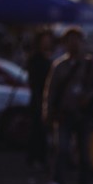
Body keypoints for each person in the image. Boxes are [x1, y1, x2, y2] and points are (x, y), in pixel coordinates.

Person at [43, 26, 93, 184]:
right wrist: (47, 112)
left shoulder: (90, 65)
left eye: (77, 40)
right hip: (64, 114)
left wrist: (88, 97)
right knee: (61, 149)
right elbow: (51, 91)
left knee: (84, 151)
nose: (74, 44)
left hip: (84, 115)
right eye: (70, 41)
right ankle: (57, 183)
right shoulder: (59, 66)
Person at [26, 29, 56, 170]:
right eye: (44, 41)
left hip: (47, 98)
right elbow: (34, 81)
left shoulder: (49, 58)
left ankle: (40, 158)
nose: (46, 43)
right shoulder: (36, 59)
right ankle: (36, 158)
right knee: (37, 130)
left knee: (43, 130)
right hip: (38, 98)